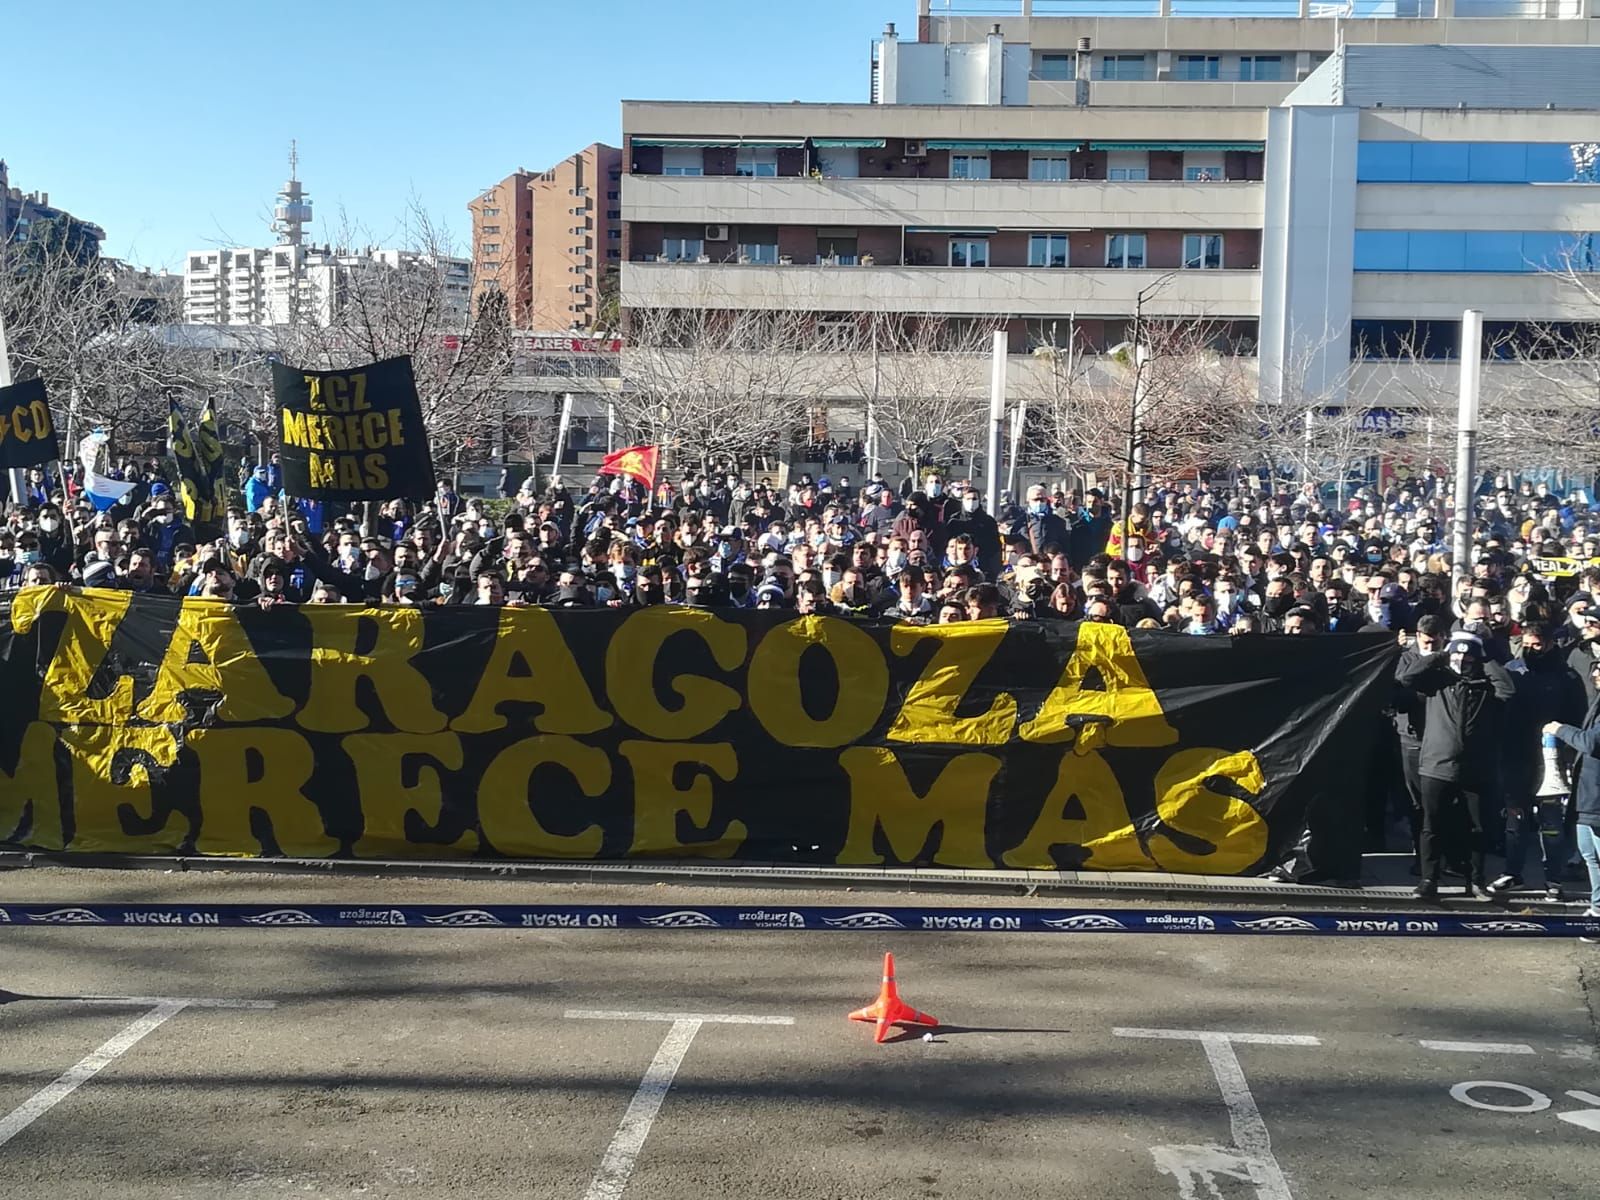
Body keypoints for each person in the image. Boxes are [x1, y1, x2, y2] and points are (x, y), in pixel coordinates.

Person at [1397, 630, 1517, 899]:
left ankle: (1475, 880)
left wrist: (1484, 658)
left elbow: (1508, 689)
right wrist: (1441, 654)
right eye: (1458, 654)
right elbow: (1406, 678)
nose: (1462, 660)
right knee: (1432, 826)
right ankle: (1429, 879)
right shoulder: (1438, 681)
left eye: (1468, 655)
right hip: (1436, 765)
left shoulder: (1486, 686)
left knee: (1477, 827)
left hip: (1476, 767)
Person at [1545, 661, 1600, 927]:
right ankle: (1598, 907)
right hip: (1586, 794)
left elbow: (1591, 742)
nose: (1596, 674)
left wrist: (1559, 729)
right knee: (1589, 854)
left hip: (1597, 798)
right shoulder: (1597, 702)